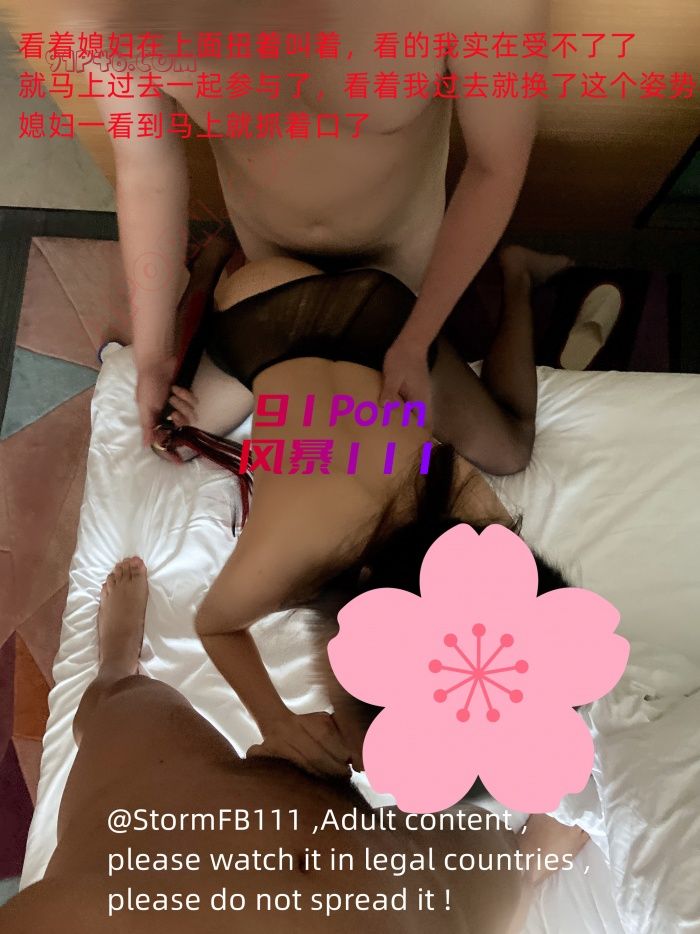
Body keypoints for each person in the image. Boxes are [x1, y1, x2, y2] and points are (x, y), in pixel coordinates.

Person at [0, 558, 589, 934]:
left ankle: (114, 667)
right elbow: (219, 622)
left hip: (163, 830)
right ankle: (531, 862)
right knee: (494, 863)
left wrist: (277, 722)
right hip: (394, 880)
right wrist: (282, 725)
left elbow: (219, 623)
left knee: (123, 702)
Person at [155, 245, 571, 773]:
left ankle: (517, 275)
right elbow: (214, 626)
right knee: (172, 442)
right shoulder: (292, 555)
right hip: (269, 306)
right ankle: (213, 265)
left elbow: (523, 643)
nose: (356, 759)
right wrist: (275, 721)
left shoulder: (479, 545)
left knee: (510, 452)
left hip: (382, 318)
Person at [70, 0, 549, 445]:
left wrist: (416, 337)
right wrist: (153, 356)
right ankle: (217, 275)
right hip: (269, 276)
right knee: (174, 441)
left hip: (397, 276)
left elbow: (495, 166)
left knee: (492, 448)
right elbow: (145, 168)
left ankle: (518, 278)